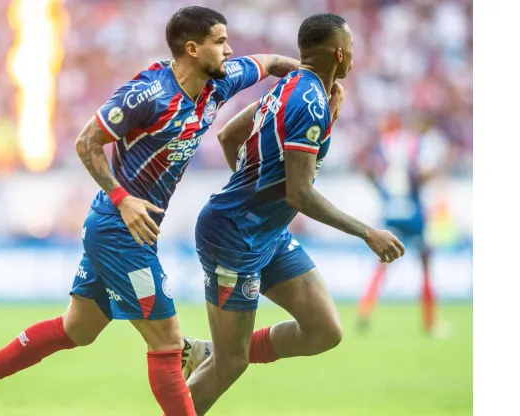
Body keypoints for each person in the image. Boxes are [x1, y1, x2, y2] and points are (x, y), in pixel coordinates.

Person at [0, 6, 303, 416]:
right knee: (167, 343)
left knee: (78, 328)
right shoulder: (147, 94)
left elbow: (271, 63)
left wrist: (312, 79)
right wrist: (122, 198)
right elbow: (86, 142)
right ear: (191, 48)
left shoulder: (219, 82)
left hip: (125, 229)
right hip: (119, 230)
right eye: (219, 41)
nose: (229, 49)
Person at [183, 13, 405, 414]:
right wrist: (367, 233)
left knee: (324, 330)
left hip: (264, 233)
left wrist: (256, 196)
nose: (354, 56)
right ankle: (219, 358)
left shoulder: (290, 86)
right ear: (340, 54)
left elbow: (228, 135)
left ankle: (216, 349)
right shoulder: (311, 102)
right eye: (352, 48)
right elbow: (300, 194)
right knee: (231, 366)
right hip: (233, 237)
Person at [356, 114, 456, 336]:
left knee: (382, 264)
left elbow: (369, 170)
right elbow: (421, 174)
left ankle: (365, 310)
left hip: (391, 212)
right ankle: (430, 323)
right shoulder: (415, 144)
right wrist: (443, 164)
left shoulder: (385, 145)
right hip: (412, 213)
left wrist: (383, 195)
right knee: (425, 263)